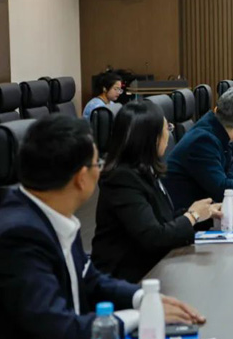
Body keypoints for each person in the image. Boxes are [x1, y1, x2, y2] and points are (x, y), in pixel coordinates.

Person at [0, 114, 204, 339]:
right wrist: (136, 317)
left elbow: (89, 278)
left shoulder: (52, 212)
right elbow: (57, 330)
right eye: (98, 162)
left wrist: (143, 298)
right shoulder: (19, 234)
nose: (102, 168)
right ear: (81, 178)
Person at [92, 102, 223, 283]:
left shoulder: (146, 169)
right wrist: (192, 216)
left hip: (152, 266)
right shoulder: (122, 178)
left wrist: (202, 214)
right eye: (167, 128)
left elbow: (162, 219)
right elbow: (153, 236)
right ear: (152, 138)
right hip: (127, 279)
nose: (169, 134)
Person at [164, 86, 233, 210]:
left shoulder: (217, 129)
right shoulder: (204, 140)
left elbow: (227, 174)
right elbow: (222, 189)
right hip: (188, 215)